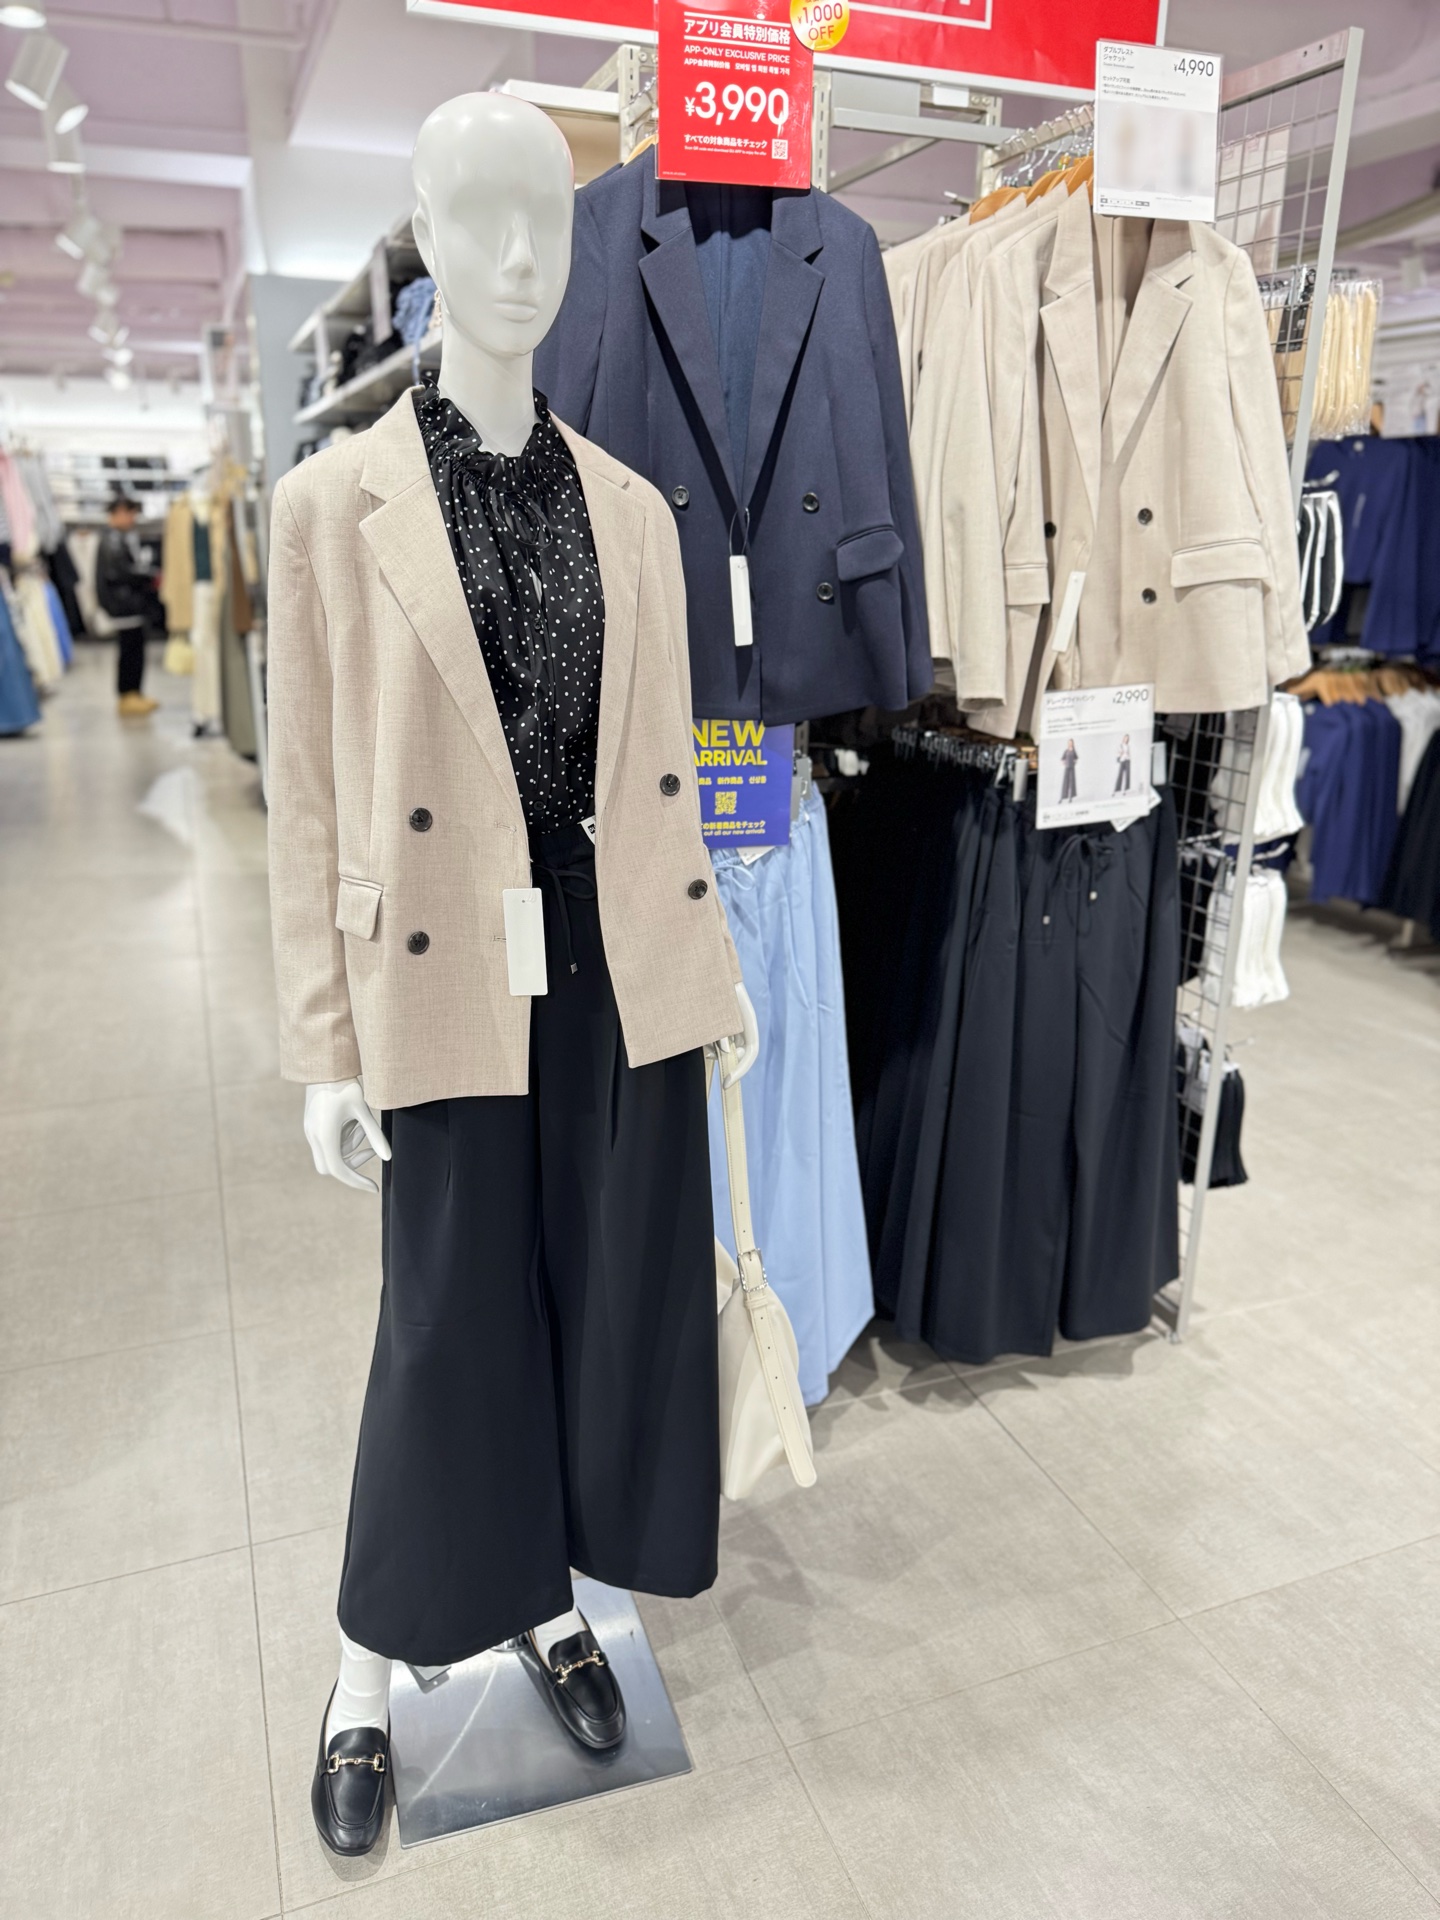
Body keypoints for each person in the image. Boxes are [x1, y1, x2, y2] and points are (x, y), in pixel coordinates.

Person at [95, 492, 159, 715]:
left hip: (128, 605)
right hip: (125, 606)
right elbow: (119, 572)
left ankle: (134, 693)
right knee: (130, 651)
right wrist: (148, 576)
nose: (132, 519)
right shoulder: (112, 539)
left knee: (134, 649)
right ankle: (128, 695)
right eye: (130, 513)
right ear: (119, 513)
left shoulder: (119, 537)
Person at [1060, 737, 1079, 803]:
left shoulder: (1074, 751)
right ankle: (1062, 797)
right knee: (1065, 782)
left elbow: (1076, 758)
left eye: (1071, 743)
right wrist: (1064, 763)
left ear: (1073, 743)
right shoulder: (1066, 751)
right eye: (1069, 743)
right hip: (1067, 768)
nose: (1070, 744)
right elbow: (1062, 758)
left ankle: (1070, 797)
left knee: (1071, 782)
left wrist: (1074, 763)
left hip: (1072, 768)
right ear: (1068, 743)